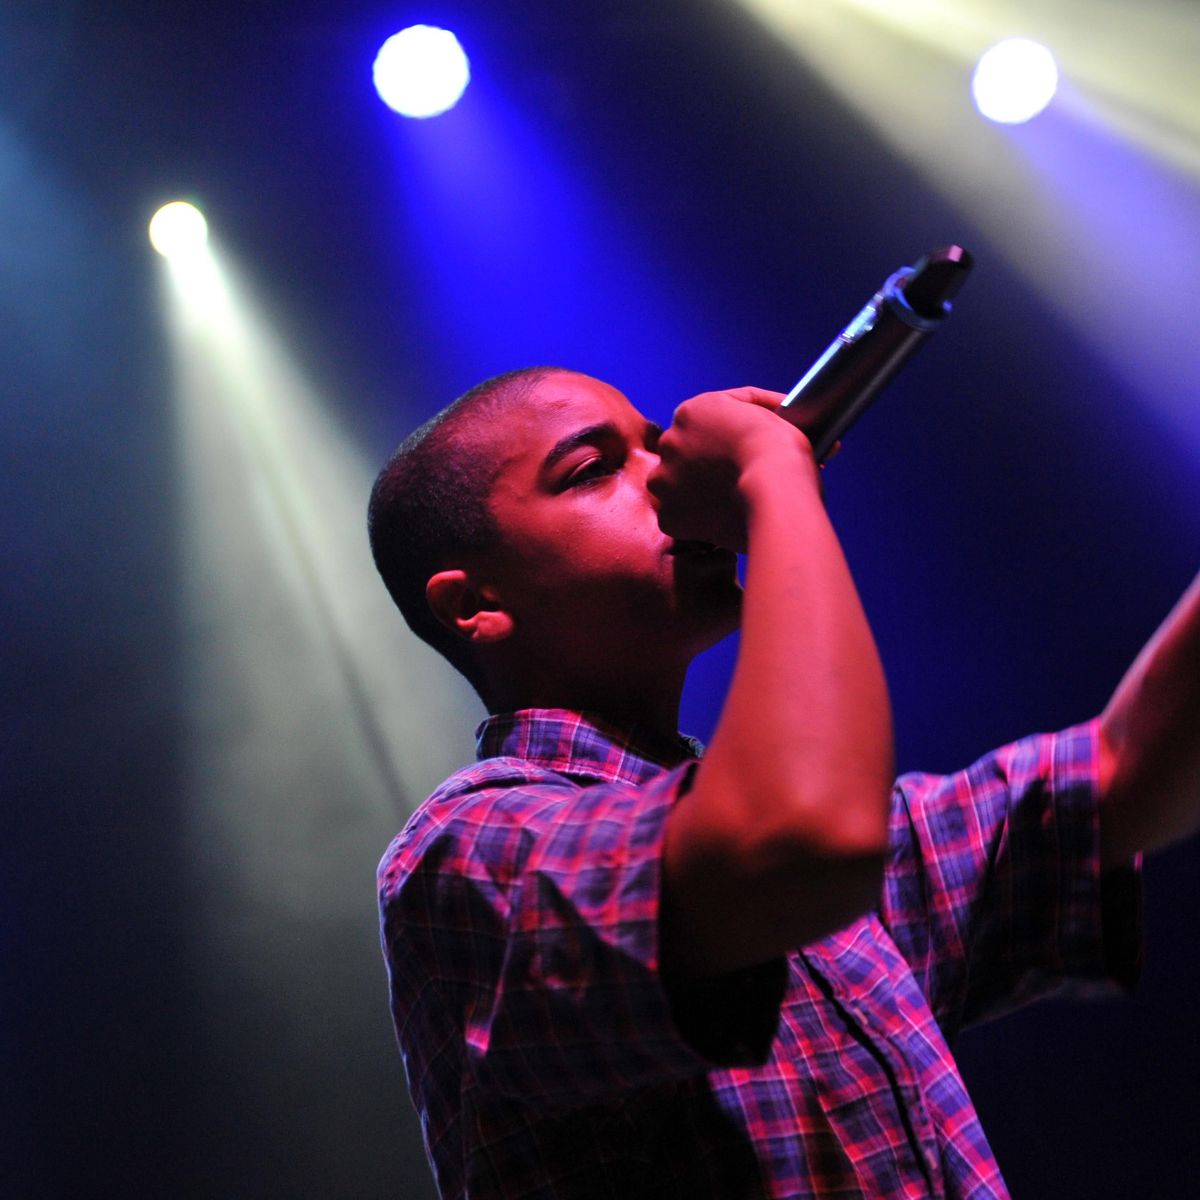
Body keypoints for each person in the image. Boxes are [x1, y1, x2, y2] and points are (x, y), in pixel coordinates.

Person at [367, 366, 1199, 1199]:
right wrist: (772, 474)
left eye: (657, 448)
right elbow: (800, 837)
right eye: (593, 469)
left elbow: (1121, 775)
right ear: (476, 602)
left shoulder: (752, 820)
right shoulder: (468, 853)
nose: (666, 477)